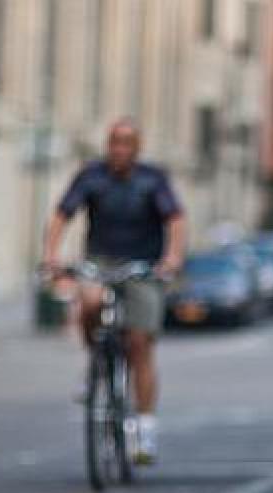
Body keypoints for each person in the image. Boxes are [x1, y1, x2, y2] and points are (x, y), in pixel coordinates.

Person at [43, 118, 186, 463]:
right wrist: (51, 257)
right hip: (100, 260)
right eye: (114, 142)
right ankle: (94, 361)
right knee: (89, 302)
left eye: (126, 142)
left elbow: (176, 220)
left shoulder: (153, 179)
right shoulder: (91, 175)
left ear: (137, 148)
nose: (119, 149)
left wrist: (172, 259)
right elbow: (62, 215)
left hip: (142, 265)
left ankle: (146, 431)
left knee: (140, 344)